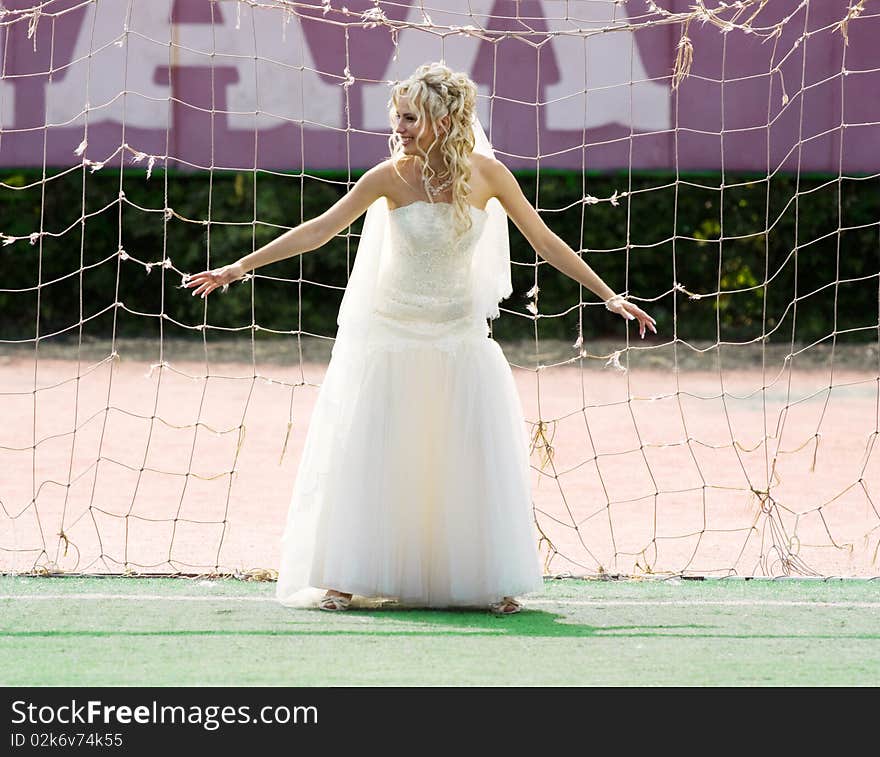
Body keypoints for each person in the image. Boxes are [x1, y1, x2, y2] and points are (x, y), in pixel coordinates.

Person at [184, 61, 657, 615]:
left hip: (458, 337)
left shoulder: (488, 174)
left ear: (444, 117)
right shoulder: (388, 175)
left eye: (411, 117)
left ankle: (484, 579)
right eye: (398, 117)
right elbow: (320, 230)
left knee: (462, 455)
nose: (401, 127)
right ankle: (345, 577)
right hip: (393, 335)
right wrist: (239, 267)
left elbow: (544, 240)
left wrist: (608, 295)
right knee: (377, 452)